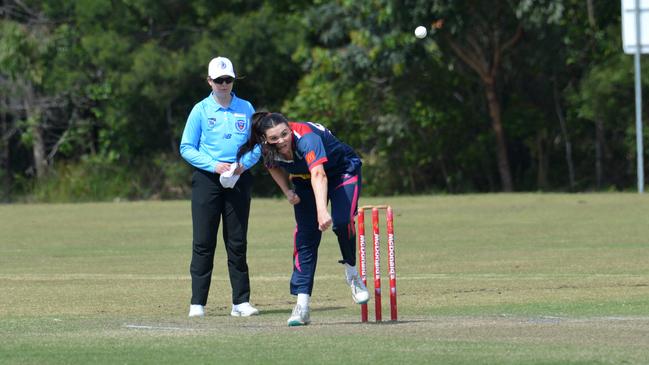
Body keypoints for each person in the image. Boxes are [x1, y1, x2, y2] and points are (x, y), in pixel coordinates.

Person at [237, 112, 369, 326]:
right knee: (306, 237)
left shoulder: (307, 139)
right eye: (274, 138)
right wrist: (287, 191)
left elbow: (319, 174)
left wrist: (321, 211)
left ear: (289, 128)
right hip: (304, 181)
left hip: (341, 170)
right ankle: (302, 305)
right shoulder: (266, 148)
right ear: (265, 140)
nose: (281, 141)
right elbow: (273, 167)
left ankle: (353, 274)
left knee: (342, 221)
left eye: (284, 134)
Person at [180, 56, 261, 318]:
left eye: (228, 80)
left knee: (237, 241)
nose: (224, 84)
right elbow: (186, 148)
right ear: (209, 81)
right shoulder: (200, 110)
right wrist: (214, 165)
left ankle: (241, 301)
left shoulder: (246, 108)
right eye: (219, 80)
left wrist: (242, 165)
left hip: (239, 178)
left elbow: (258, 145)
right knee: (203, 241)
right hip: (208, 179)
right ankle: (197, 303)